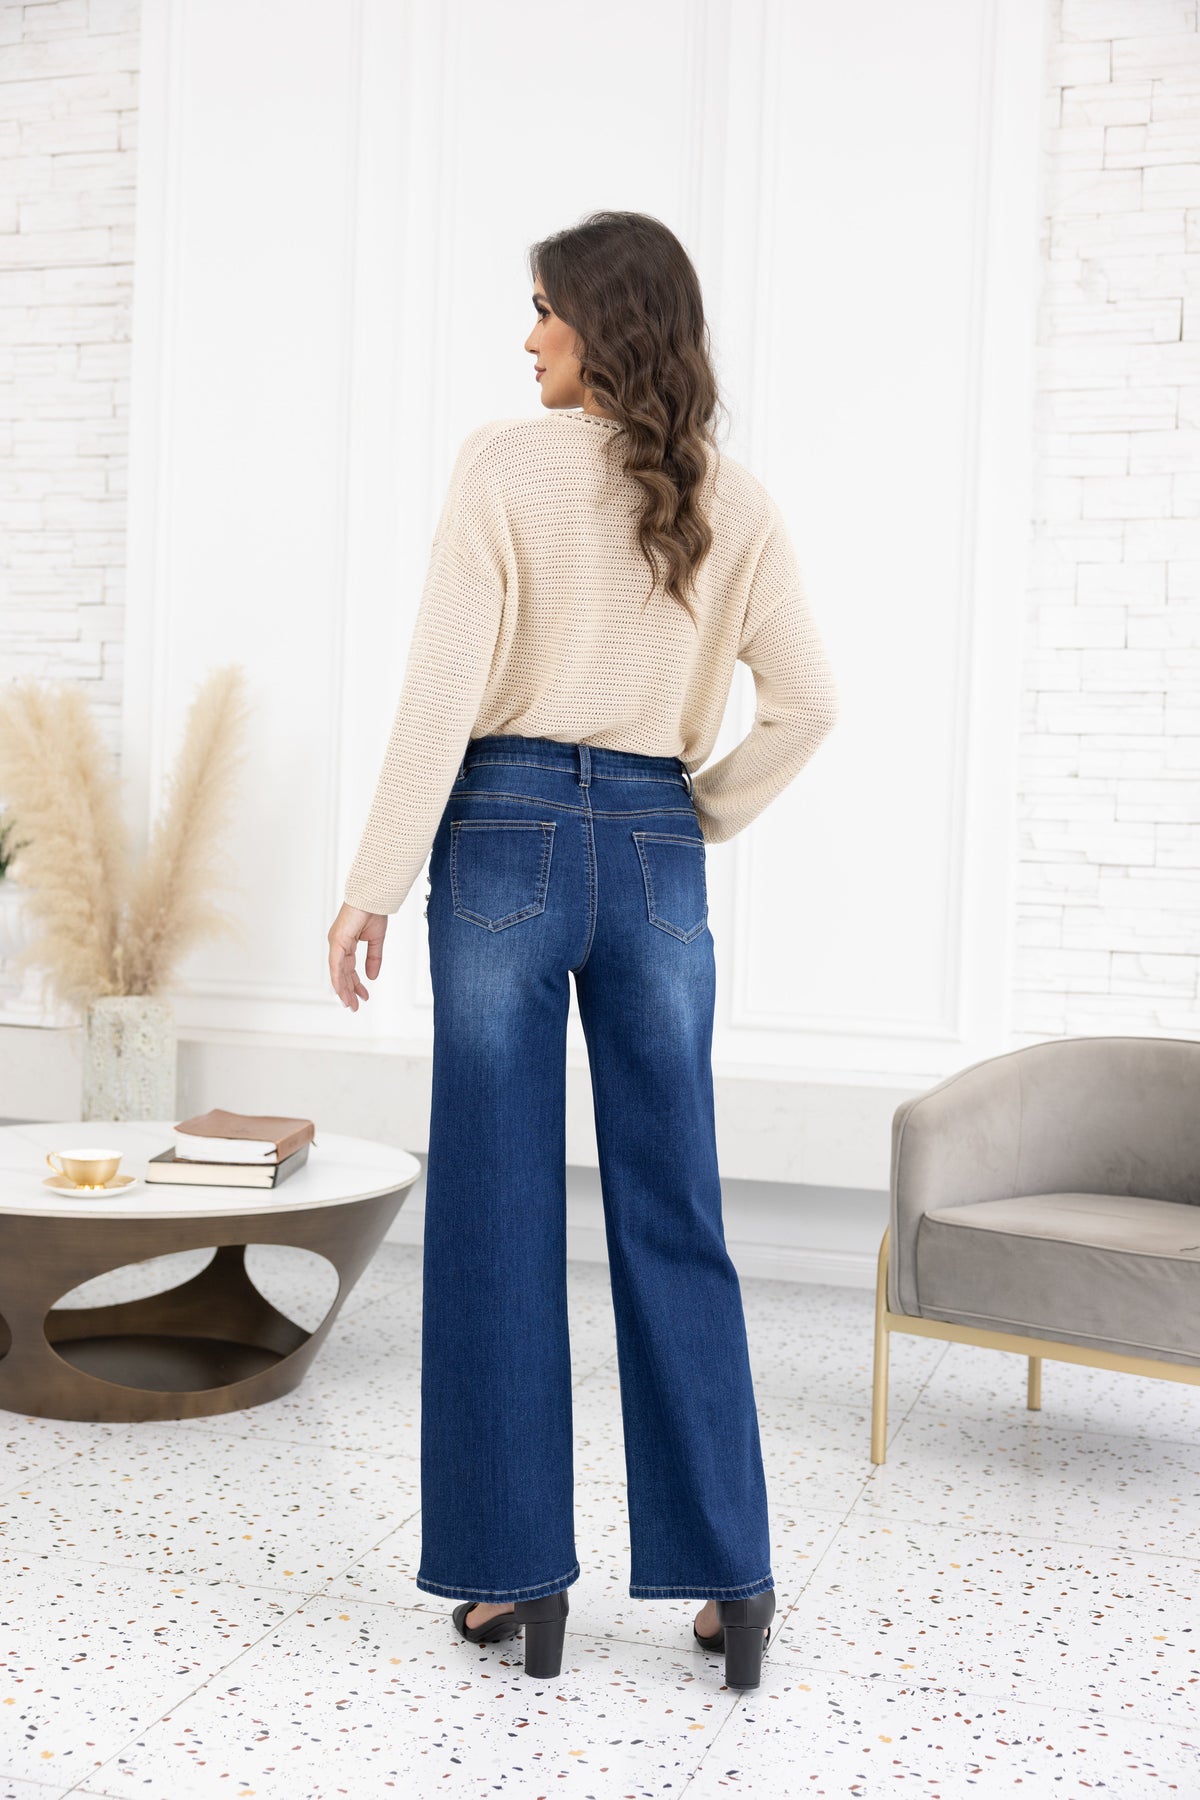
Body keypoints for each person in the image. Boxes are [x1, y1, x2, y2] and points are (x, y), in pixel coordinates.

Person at [326, 210, 838, 1691]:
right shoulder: (732, 496)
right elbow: (809, 701)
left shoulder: (502, 463)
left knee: (495, 1208)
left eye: (544, 307)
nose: (528, 335)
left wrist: (372, 883)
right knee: (676, 1206)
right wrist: (692, 817)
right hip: (655, 842)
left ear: (602, 323)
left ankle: (516, 1583)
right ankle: (733, 1582)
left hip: (500, 837)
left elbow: (443, 690)